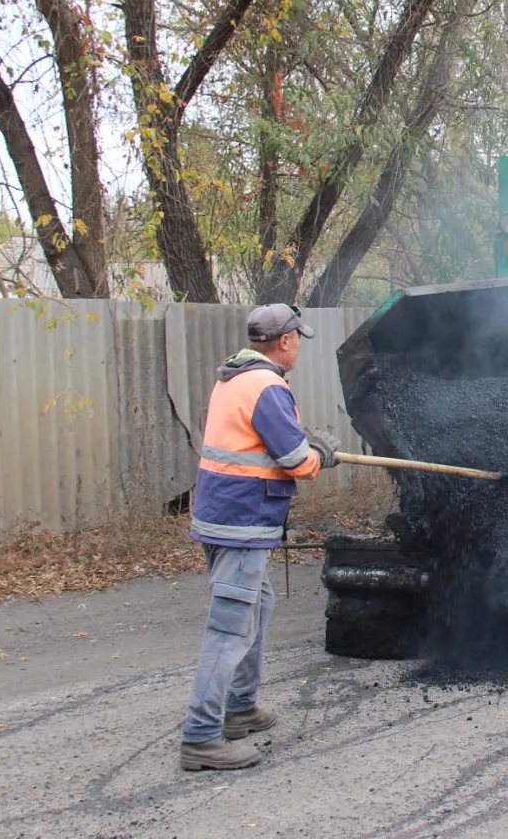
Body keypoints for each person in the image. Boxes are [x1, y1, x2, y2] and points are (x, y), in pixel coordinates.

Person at [179, 303, 338, 771]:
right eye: (297, 341)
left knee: (259, 604)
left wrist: (305, 448)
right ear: (286, 341)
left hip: (223, 515)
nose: (298, 349)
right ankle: (202, 736)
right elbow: (295, 460)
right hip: (241, 521)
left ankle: (240, 708)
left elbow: (260, 443)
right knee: (230, 627)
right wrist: (320, 455)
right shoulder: (267, 386)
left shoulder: (233, 377)